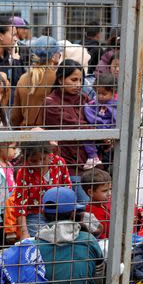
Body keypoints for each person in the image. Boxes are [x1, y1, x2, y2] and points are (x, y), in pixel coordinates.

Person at [33, 187, 104, 284]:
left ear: (43, 213)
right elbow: (98, 278)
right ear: (74, 213)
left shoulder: (32, 246)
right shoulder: (89, 240)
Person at [44, 60, 102, 197]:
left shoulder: (83, 98)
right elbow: (75, 126)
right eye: (73, 79)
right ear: (60, 80)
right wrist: (100, 131)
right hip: (69, 166)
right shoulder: (51, 103)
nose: (78, 84)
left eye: (80, 80)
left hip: (91, 165)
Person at [15, 140, 72, 240]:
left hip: (60, 213)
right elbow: (20, 205)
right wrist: (24, 232)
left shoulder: (59, 162)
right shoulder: (23, 172)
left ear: (49, 154)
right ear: (26, 158)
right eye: (34, 161)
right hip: (35, 216)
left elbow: (68, 189)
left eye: (43, 159)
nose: (39, 164)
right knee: (42, 241)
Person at [11, 36, 61, 128]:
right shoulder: (57, 78)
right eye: (59, 52)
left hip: (25, 134)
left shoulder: (23, 78)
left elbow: (15, 117)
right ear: (54, 56)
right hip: (49, 135)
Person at [83, 72, 118, 167]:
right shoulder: (95, 101)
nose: (100, 96)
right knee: (87, 137)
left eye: (104, 94)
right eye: (98, 93)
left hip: (110, 131)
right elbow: (91, 110)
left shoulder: (115, 104)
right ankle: (93, 157)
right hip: (97, 127)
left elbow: (116, 118)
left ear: (113, 91)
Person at [0, 16, 22, 90]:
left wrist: (15, 60)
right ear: (0, 36)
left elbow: (17, 84)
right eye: (13, 35)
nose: (16, 39)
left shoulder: (10, 56)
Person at [82, 168, 113, 239]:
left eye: (110, 189)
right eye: (105, 191)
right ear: (91, 192)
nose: (109, 193)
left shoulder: (107, 204)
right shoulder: (91, 212)